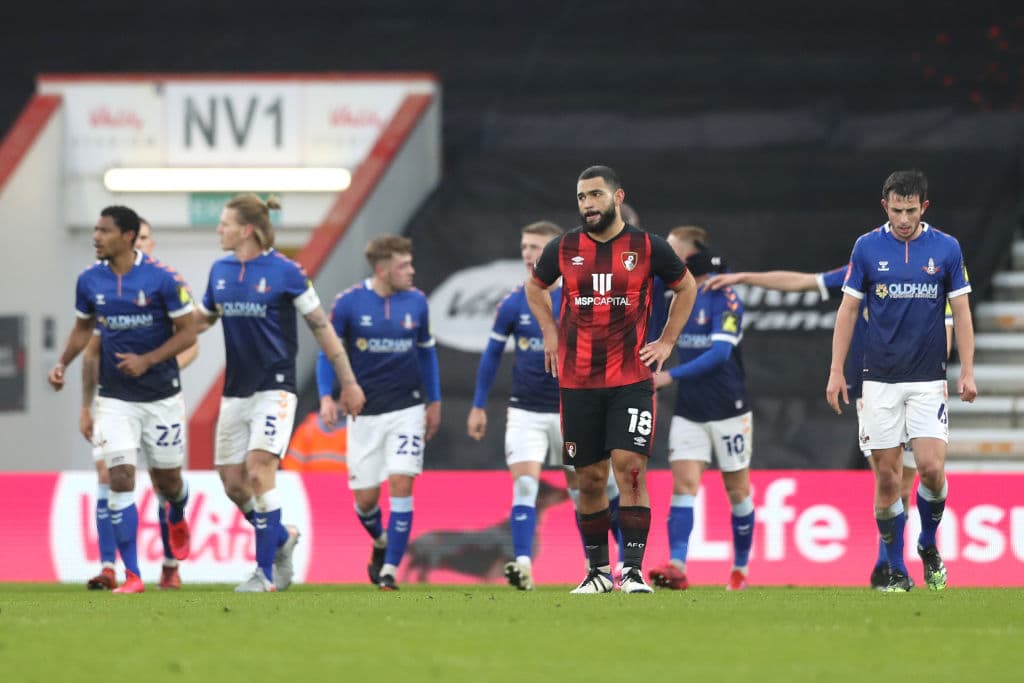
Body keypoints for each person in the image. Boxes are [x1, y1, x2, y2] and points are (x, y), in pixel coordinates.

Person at [706, 267, 954, 590]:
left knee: (909, 481)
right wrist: (744, 278)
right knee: (887, 476)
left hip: (918, 387)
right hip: (873, 389)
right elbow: (803, 282)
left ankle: (897, 558)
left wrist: (933, 372)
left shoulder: (926, 272)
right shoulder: (863, 268)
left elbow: (946, 326)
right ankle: (889, 568)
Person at [526, 165, 697, 594]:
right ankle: (597, 572)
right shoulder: (564, 247)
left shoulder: (648, 247)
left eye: (596, 195)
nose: (588, 204)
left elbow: (686, 286)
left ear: (618, 197)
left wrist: (667, 340)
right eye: (582, 197)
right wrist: (550, 333)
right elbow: (535, 287)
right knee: (589, 478)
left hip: (630, 379)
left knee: (631, 470)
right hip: (577, 382)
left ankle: (633, 571)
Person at [196, 194, 365, 593]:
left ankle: (265, 574)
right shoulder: (219, 272)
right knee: (233, 483)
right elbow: (200, 321)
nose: (219, 229)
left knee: (259, 471)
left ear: (246, 230)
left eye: (225, 223)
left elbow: (321, 326)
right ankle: (280, 537)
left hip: (275, 388)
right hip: (236, 392)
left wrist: (349, 381)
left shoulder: (287, 272)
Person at [827, 169, 976, 592]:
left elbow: (961, 311)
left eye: (911, 210)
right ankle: (895, 569)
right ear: (885, 207)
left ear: (923, 207)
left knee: (930, 469)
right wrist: (836, 370)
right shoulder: (867, 247)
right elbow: (848, 311)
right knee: (889, 479)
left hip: (928, 378)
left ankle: (927, 542)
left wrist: (967, 369)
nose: (904, 219)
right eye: (897, 210)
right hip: (878, 379)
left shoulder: (946, 248)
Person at [467, 220, 625, 591]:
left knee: (588, 489)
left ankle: (611, 564)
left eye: (535, 246)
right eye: (524, 246)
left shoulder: (580, 297)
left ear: (556, 252)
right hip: (526, 411)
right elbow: (492, 355)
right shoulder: (513, 301)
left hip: (573, 408)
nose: (528, 253)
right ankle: (522, 564)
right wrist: (478, 405)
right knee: (525, 486)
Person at [49, 206, 198, 594]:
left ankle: (177, 514)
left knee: (168, 483)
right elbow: (83, 330)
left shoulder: (164, 279)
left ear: (128, 236)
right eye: (95, 230)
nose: (96, 237)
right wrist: (62, 362)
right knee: (119, 477)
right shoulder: (89, 280)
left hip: (162, 397)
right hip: (115, 399)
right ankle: (132, 574)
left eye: (104, 231)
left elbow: (189, 332)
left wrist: (148, 360)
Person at [317, 234, 441, 591]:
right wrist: (326, 397)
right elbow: (328, 352)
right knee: (366, 500)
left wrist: (434, 402)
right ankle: (381, 540)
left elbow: (427, 353)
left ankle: (389, 569)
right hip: (364, 414)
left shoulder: (417, 302)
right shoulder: (348, 303)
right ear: (383, 270)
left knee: (402, 482)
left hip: (407, 408)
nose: (411, 271)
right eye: (404, 266)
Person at [646, 227, 755, 592]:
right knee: (684, 485)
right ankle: (677, 565)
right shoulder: (673, 295)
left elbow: (720, 354)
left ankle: (740, 569)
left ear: (690, 254)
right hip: (689, 409)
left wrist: (670, 376)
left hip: (729, 409)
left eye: (672, 248)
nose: (666, 254)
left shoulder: (724, 296)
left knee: (737, 490)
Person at [282, 410, 348, 473]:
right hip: (308, 480)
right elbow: (291, 466)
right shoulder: (308, 429)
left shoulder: (352, 432)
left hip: (345, 480)